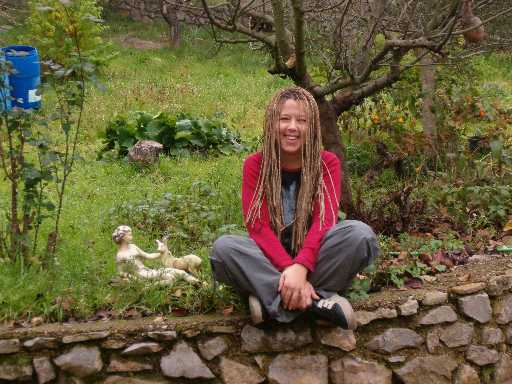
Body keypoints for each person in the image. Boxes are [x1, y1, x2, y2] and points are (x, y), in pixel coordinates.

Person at [210, 86, 379, 329]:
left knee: (360, 235)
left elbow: (324, 221)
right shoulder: (255, 165)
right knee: (224, 249)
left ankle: (271, 300)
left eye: (302, 120)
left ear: (312, 127)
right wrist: (289, 269)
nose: (292, 127)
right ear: (272, 123)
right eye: (284, 119)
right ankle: (318, 302)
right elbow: (257, 228)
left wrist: (301, 267)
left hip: (316, 258)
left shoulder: (327, 163)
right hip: (269, 258)